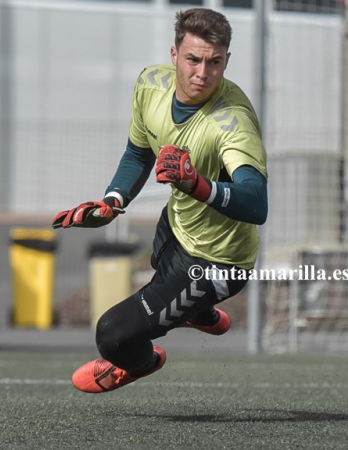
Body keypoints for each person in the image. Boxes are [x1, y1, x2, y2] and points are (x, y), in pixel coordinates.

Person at [51, 8, 268, 394]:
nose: (202, 73)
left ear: (227, 62)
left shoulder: (232, 121)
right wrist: (113, 202)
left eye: (215, 63)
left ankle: (141, 364)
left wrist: (198, 184)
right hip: (179, 225)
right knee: (161, 265)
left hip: (220, 262)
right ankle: (198, 313)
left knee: (114, 335)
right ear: (174, 55)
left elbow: (256, 202)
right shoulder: (151, 84)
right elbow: (138, 153)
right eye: (193, 59)